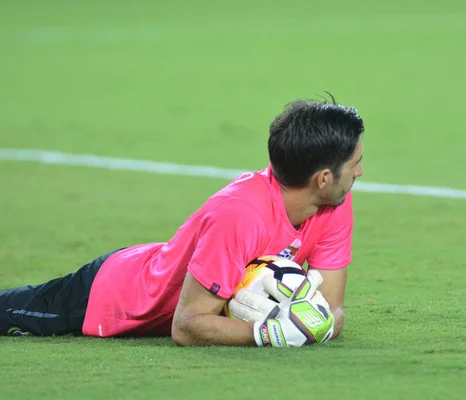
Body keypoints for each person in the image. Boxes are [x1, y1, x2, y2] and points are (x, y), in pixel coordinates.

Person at [0, 96, 365, 347]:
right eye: (354, 164)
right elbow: (187, 326)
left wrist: (312, 325)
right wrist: (270, 333)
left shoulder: (333, 204)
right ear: (322, 177)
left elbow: (330, 308)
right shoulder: (239, 215)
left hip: (166, 282)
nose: (360, 172)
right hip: (117, 296)